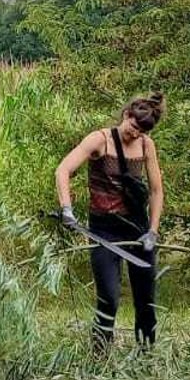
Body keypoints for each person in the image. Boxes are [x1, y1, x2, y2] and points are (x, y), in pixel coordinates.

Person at [55, 91, 165, 349]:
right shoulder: (100, 140)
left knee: (146, 301)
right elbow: (63, 170)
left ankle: (146, 354)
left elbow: (156, 190)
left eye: (142, 131)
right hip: (104, 230)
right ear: (126, 115)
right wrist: (66, 209)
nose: (135, 134)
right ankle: (100, 356)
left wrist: (152, 231)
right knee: (109, 299)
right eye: (134, 127)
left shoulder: (146, 145)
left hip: (137, 228)